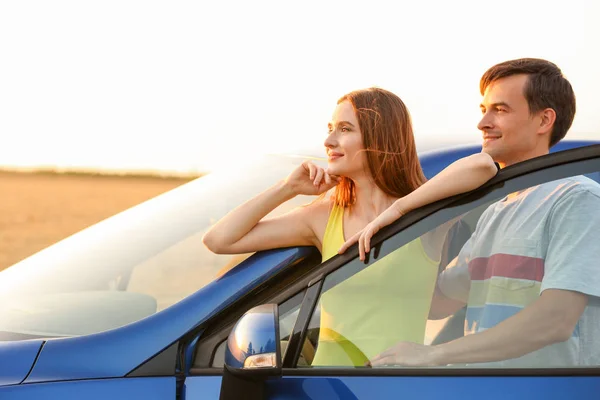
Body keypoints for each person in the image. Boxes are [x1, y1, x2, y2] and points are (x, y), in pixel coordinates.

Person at [203, 87, 498, 366]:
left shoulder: (424, 214)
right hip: (328, 384)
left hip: (398, 385)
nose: (329, 141)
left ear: (380, 139)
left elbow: (483, 167)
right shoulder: (324, 217)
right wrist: (287, 187)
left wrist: (397, 210)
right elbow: (219, 239)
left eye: (344, 129)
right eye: (330, 129)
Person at [342, 59, 600, 368]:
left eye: (500, 110)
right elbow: (437, 302)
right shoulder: (497, 211)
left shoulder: (576, 199)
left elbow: (555, 319)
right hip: (481, 389)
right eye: (484, 110)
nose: (483, 123)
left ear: (544, 121)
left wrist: (433, 354)